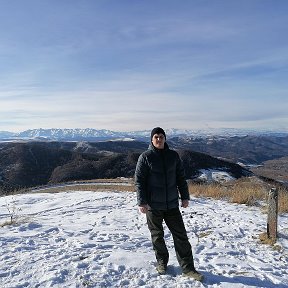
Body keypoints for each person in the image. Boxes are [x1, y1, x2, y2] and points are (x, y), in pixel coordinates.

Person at [135, 127, 203, 281]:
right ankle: (162, 263)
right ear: (152, 140)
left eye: (161, 137)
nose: (159, 139)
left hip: (172, 205)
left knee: (181, 237)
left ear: (165, 139)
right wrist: (142, 202)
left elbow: (180, 178)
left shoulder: (173, 156)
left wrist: (185, 197)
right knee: (157, 237)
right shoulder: (145, 157)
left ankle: (188, 268)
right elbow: (139, 182)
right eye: (156, 137)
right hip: (153, 206)